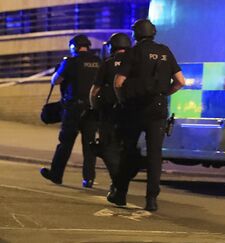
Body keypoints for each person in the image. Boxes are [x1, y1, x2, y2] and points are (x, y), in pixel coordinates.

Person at [107, 19, 185, 212]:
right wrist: (165, 93)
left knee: (128, 151)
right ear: (153, 32)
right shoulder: (165, 51)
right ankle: (151, 200)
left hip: (135, 108)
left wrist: (122, 99)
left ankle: (120, 193)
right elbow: (180, 81)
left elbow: (118, 82)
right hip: (158, 108)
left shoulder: (133, 52)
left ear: (136, 34)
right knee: (154, 155)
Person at [40, 34, 101, 188]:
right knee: (89, 145)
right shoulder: (98, 62)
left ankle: (56, 174)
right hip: (92, 109)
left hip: (73, 109)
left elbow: (56, 80)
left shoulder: (71, 62)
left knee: (65, 143)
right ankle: (89, 179)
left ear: (73, 47)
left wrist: (59, 69)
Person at [89, 32, 133, 192]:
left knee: (108, 148)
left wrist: (94, 108)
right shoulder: (136, 63)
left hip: (109, 113)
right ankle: (120, 183)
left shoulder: (107, 64)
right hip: (131, 114)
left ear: (112, 47)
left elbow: (95, 91)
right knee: (126, 150)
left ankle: (117, 184)